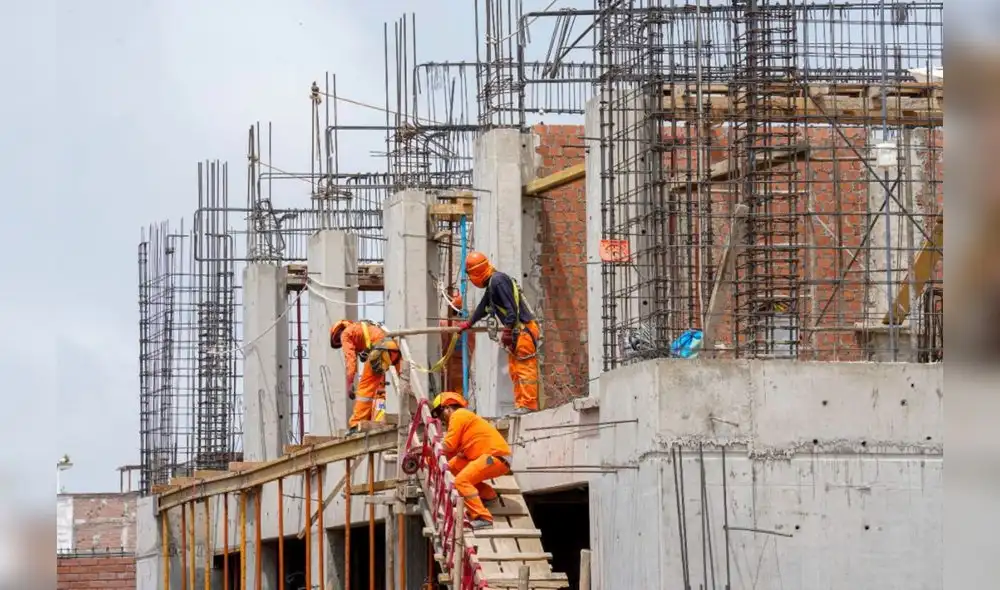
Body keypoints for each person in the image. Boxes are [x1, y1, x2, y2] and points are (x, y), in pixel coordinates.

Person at [455, 251, 540, 415]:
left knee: (524, 369)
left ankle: (529, 405)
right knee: (515, 370)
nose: (472, 280)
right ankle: (521, 404)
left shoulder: (498, 281)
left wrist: (507, 331)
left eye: (471, 275)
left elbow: (511, 309)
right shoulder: (493, 283)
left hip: (523, 330)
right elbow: (483, 307)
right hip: (518, 331)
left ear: (476, 273)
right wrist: (469, 323)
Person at [430, 391, 511, 530]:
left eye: (441, 413)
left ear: (447, 407)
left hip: (494, 457)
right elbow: (456, 451)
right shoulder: (464, 417)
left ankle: (483, 518)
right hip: (489, 457)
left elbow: (449, 445)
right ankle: (487, 495)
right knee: (452, 467)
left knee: (461, 481)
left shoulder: (458, 415)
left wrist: (432, 447)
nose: (442, 419)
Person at [329, 319, 401, 433]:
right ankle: (415, 412)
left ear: (337, 332)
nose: (341, 343)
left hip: (381, 350)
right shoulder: (362, 326)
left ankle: (357, 422)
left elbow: (350, 359)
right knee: (404, 382)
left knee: (365, 388)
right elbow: (372, 339)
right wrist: (366, 352)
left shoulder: (345, 334)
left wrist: (350, 382)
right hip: (394, 349)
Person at [440, 291, 476, 395]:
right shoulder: (470, 327)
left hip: (450, 368)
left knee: (449, 395)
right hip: (462, 368)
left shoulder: (444, 324)